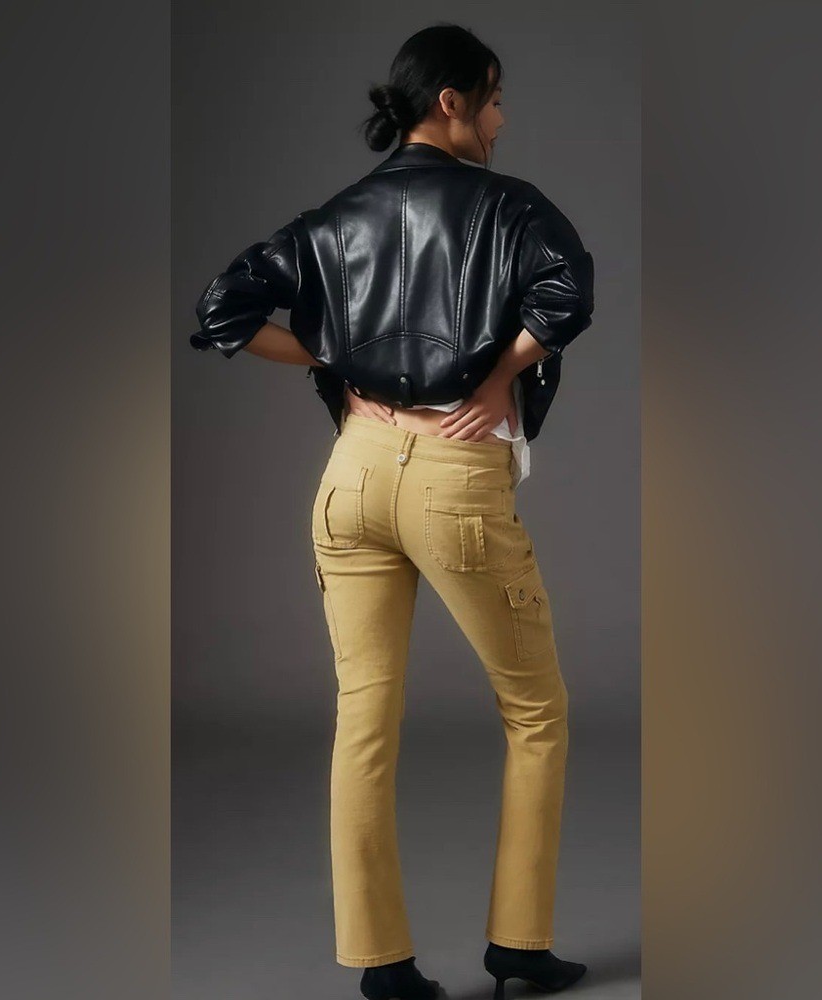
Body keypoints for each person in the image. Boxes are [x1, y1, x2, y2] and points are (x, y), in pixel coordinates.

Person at [189, 24, 595, 1000]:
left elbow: (222, 310)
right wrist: (495, 376)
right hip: (453, 479)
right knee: (536, 711)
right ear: (451, 102)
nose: (501, 120)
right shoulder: (509, 206)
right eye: (493, 98)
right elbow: (568, 293)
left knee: (362, 719)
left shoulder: (334, 218)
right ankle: (519, 945)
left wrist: (338, 358)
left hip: (353, 475)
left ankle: (381, 966)